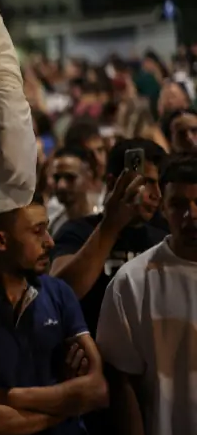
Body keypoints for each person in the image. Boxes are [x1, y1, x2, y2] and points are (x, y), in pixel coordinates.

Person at [0, 194, 108, 435]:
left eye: (47, 229)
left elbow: (98, 390)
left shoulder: (59, 292)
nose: (49, 242)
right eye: (37, 231)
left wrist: (10, 396)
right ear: (0, 240)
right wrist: (67, 407)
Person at [96, 154, 197, 435]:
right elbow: (121, 381)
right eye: (179, 205)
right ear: (163, 207)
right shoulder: (133, 282)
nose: (192, 215)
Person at [51, 139, 168, 335]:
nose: (156, 194)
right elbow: (61, 293)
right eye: (147, 182)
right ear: (115, 182)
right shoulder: (77, 231)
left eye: (160, 184)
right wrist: (110, 226)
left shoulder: (163, 237)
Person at [47, 147, 96, 236]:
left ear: (88, 177)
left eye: (70, 178)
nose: (61, 185)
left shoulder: (101, 222)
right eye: (57, 178)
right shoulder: (52, 224)